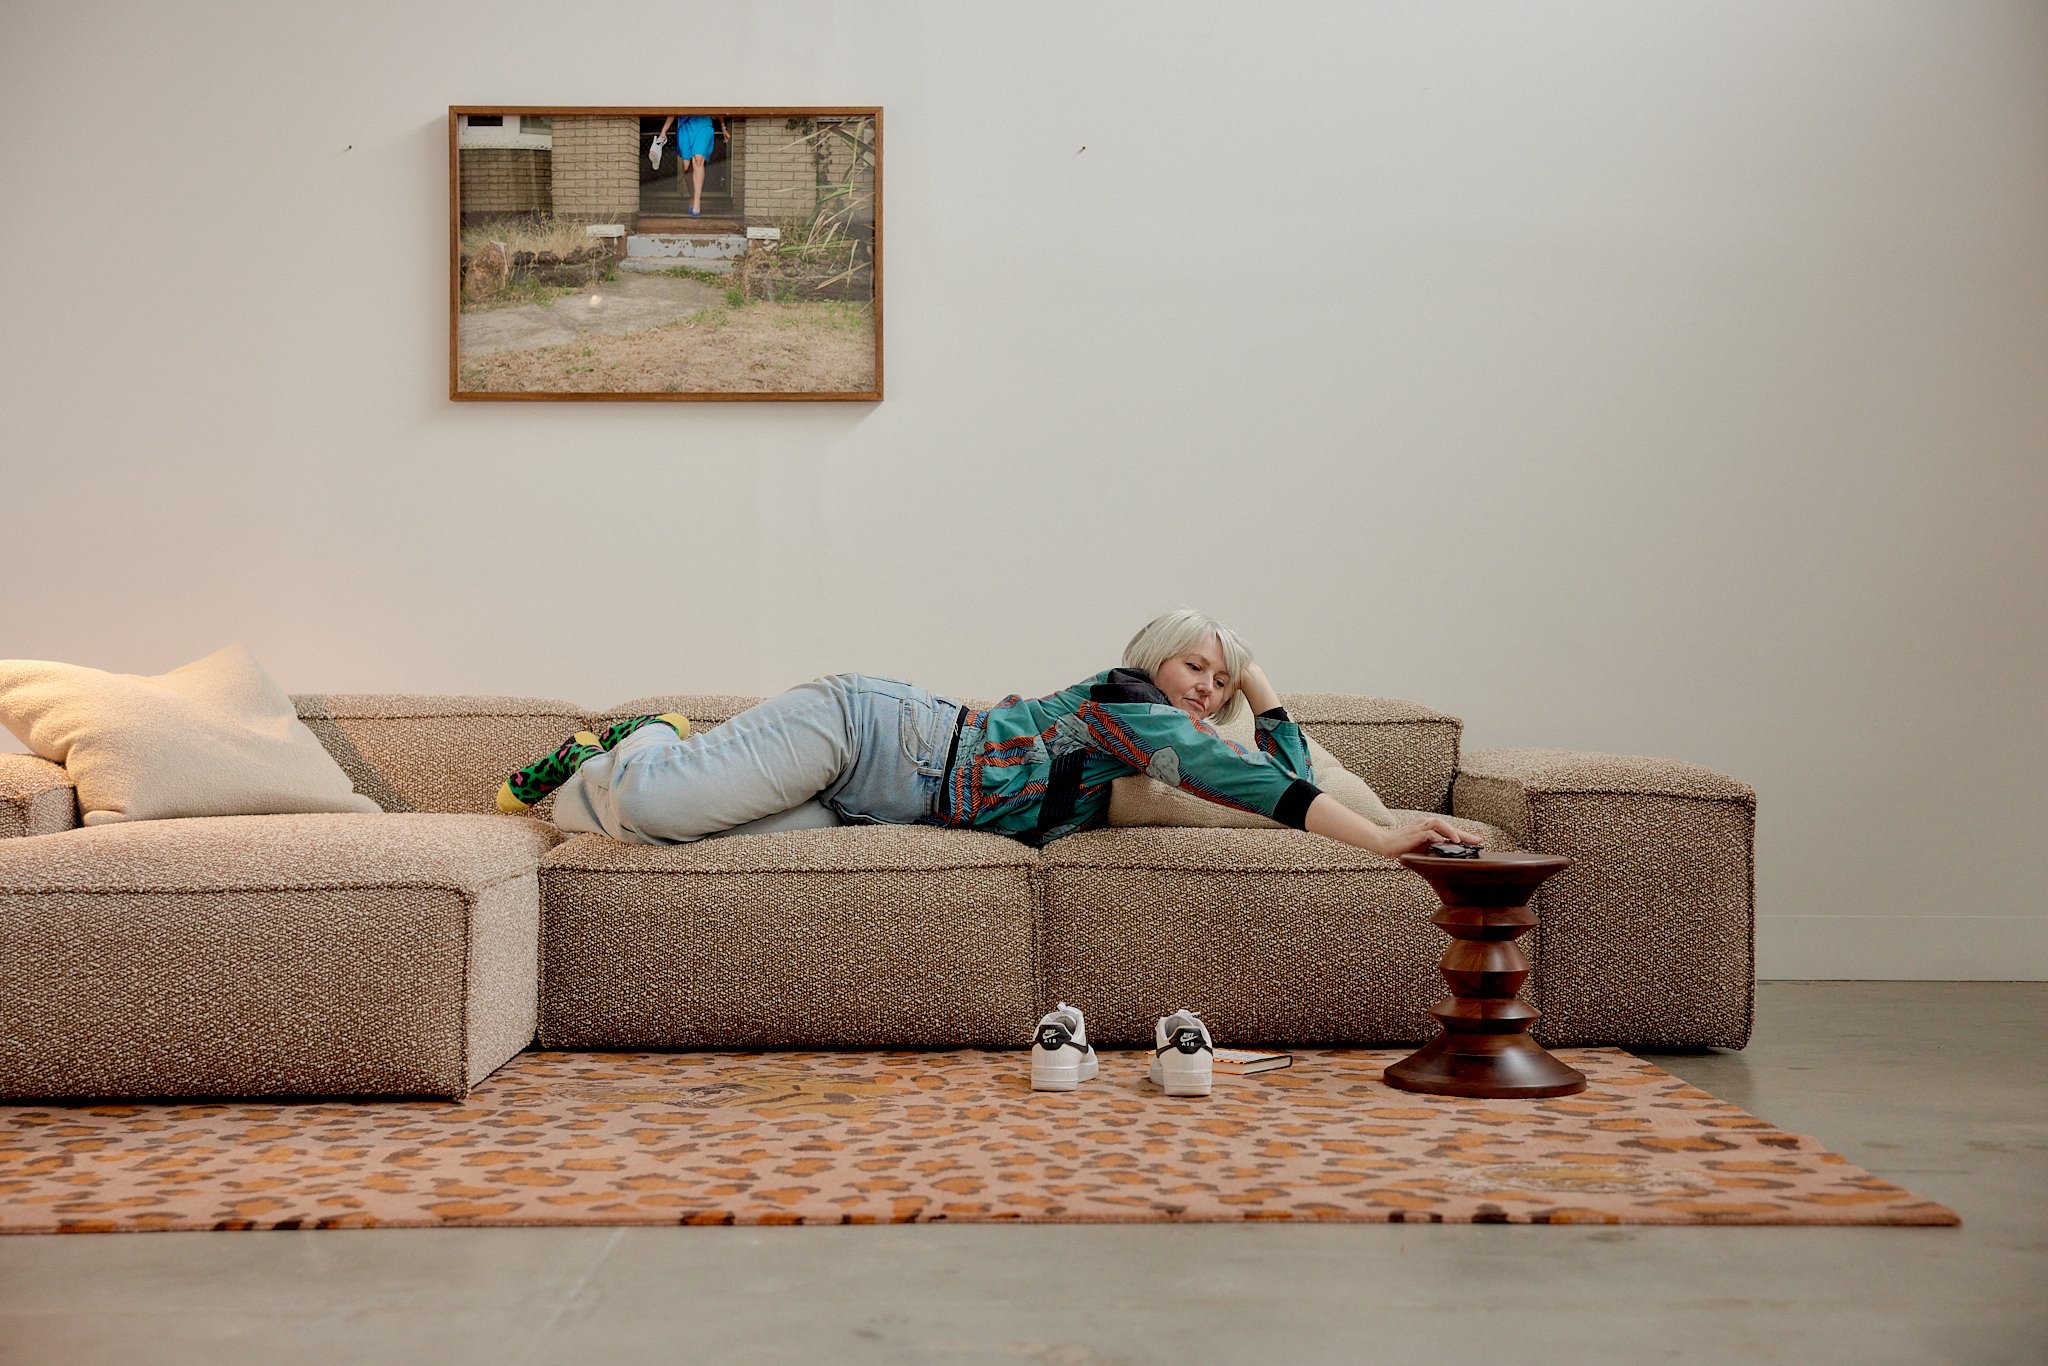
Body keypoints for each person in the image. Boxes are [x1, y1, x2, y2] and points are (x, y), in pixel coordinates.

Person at [497, 608, 1483, 858]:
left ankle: (628, 765)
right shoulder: (1123, 703)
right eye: (1197, 666)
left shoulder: (1175, 720)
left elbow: (1281, 765)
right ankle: (630, 745)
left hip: (862, 808)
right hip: (866, 732)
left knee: (671, 841)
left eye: (1216, 680)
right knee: (651, 803)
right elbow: (1258, 788)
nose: (1204, 687)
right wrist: (1388, 835)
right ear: (1152, 656)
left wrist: (1260, 690)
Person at [653, 114, 725, 216]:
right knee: (687, 168)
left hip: (703, 123)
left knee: (698, 159)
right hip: (685, 125)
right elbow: (673, 108)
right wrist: (663, 131)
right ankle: (693, 196)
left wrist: (723, 127)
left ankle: (697, 202)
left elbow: (718, 106)